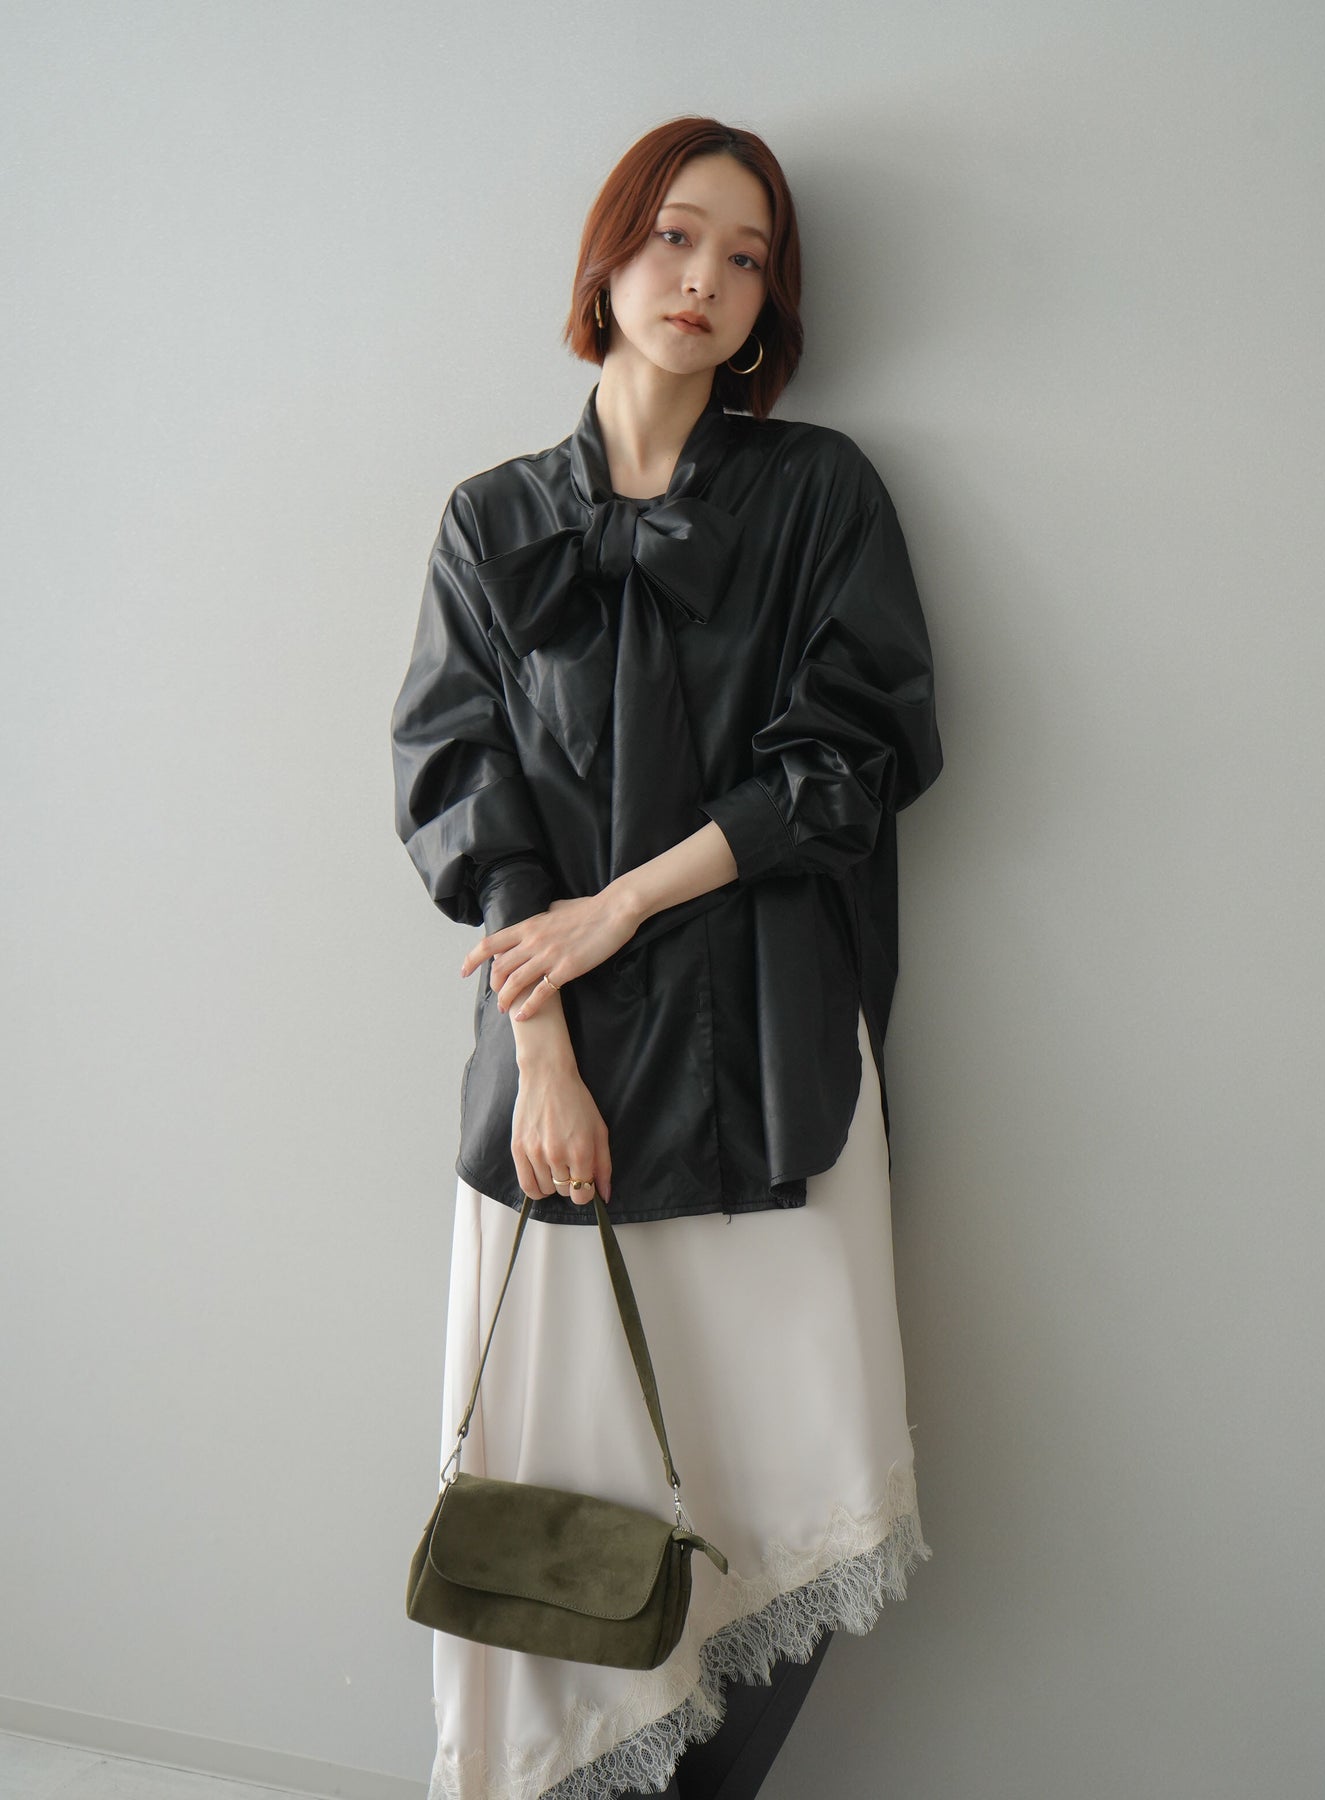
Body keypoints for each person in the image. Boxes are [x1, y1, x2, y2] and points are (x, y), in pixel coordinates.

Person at [391, 115, 943, 1800]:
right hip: (556, 1066)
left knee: (792, 1478)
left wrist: (623, 903)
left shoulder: (820, 493)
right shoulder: (491, 522)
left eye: (746, 257)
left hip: (773, 1058)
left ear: (773, 303)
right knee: (547, 1496)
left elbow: (848, 761)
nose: (704, 277)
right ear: (610, 254)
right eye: (674, 236)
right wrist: (545, 1058)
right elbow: (466, 801)